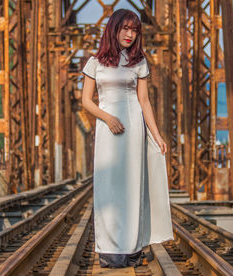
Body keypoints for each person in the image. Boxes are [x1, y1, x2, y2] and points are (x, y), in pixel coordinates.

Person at [81, 8, 174, 268]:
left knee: (134, 187)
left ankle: (132, 248)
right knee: (108, 185)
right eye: (126, 29)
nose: (130, 35)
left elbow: (144, 101)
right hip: (107, 130)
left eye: (135, 30)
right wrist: (107, 117)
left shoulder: (139, 61)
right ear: (114, 29)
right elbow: (86, 101)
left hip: (134, 129)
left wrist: (156, 135)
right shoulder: (95, 62)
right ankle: (110, 250)